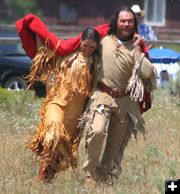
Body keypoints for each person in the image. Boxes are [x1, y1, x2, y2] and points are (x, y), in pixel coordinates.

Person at [78, 7, 157, 183]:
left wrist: (137, 50)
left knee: (114, 146)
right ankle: (90, 175)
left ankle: (104, 178)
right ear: (116, 22)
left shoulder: (137, 47)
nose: (126, 24)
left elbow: (147, 73)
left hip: (126, 102)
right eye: (123, 21)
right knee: (97, 131)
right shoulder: (104, 40)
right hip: (102, 96)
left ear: (134, 24)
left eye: (130, 21)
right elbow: (84, 48)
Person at [25, 27, 101, 183]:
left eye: (92, 47)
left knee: (61, 149)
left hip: (76, 113)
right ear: (80, 41)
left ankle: (46, 178)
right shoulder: (67, 55)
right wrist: (35, 31)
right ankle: (41, 176)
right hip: (56, 104)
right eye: (85, 45)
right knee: (52, 135)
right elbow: (44, 51)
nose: (87, 50)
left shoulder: (97, 63)